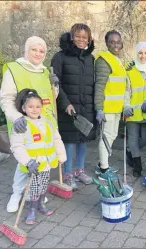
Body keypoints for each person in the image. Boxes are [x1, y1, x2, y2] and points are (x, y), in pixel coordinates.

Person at [0, 36, 57, 213]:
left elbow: (51, 98)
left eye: (42, 51)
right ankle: (17, 193)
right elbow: (6, 98)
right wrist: (16, 117)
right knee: (24, 162)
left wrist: (55, 86)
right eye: (34, 49)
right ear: (27, 50)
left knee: (42, 159)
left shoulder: (46, 71)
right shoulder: (14, 69)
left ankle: (37, 191)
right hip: (23, 124)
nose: (38, 54)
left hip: (44, 123)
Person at [10, 89, 66, 225]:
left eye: (37, 107)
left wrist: (61, 155)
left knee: (43, 186)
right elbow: (17, 146)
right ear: (24, 108)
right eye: (30, 107)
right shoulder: (22, 124)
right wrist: (28, 162)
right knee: (34, 189)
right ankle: (32, 210)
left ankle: (41, 205)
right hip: (33, 166)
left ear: (42, 107)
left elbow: (56, 139)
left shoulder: (48, 122)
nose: (34, 110)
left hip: (46, 164)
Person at [51, 23, 96, 189]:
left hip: (86, 106)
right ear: (71, 37)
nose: (81, 40)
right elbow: (56, 83)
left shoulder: (90, 58)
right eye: (78, 36)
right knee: (69, 141)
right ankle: (68, 173)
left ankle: (79, 171)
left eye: (85, 37)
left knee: (83, 140)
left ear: (89, 39)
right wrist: (65, 103)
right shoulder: (60, 57)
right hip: (68, 108)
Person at [94, 30, 126, 180]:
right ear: (106, 43)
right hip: (107, 108)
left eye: (118, 42)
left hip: (116, 107)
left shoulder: (117, 60)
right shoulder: (104, 60)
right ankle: (103, 170)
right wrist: (99, 108)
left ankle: (103, 164)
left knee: (112, 136)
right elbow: (99, 86)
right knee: (106, 137)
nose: (115, 45)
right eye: (112, 42)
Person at [124, 42, 146, 177]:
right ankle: (137, 165)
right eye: (140, 53)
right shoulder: (129, 72)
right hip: (132, 113)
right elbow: (126, 92)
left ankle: (129, 151)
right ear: (136, 54)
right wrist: (126, 107)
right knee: (133, 139)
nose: (143, 56)